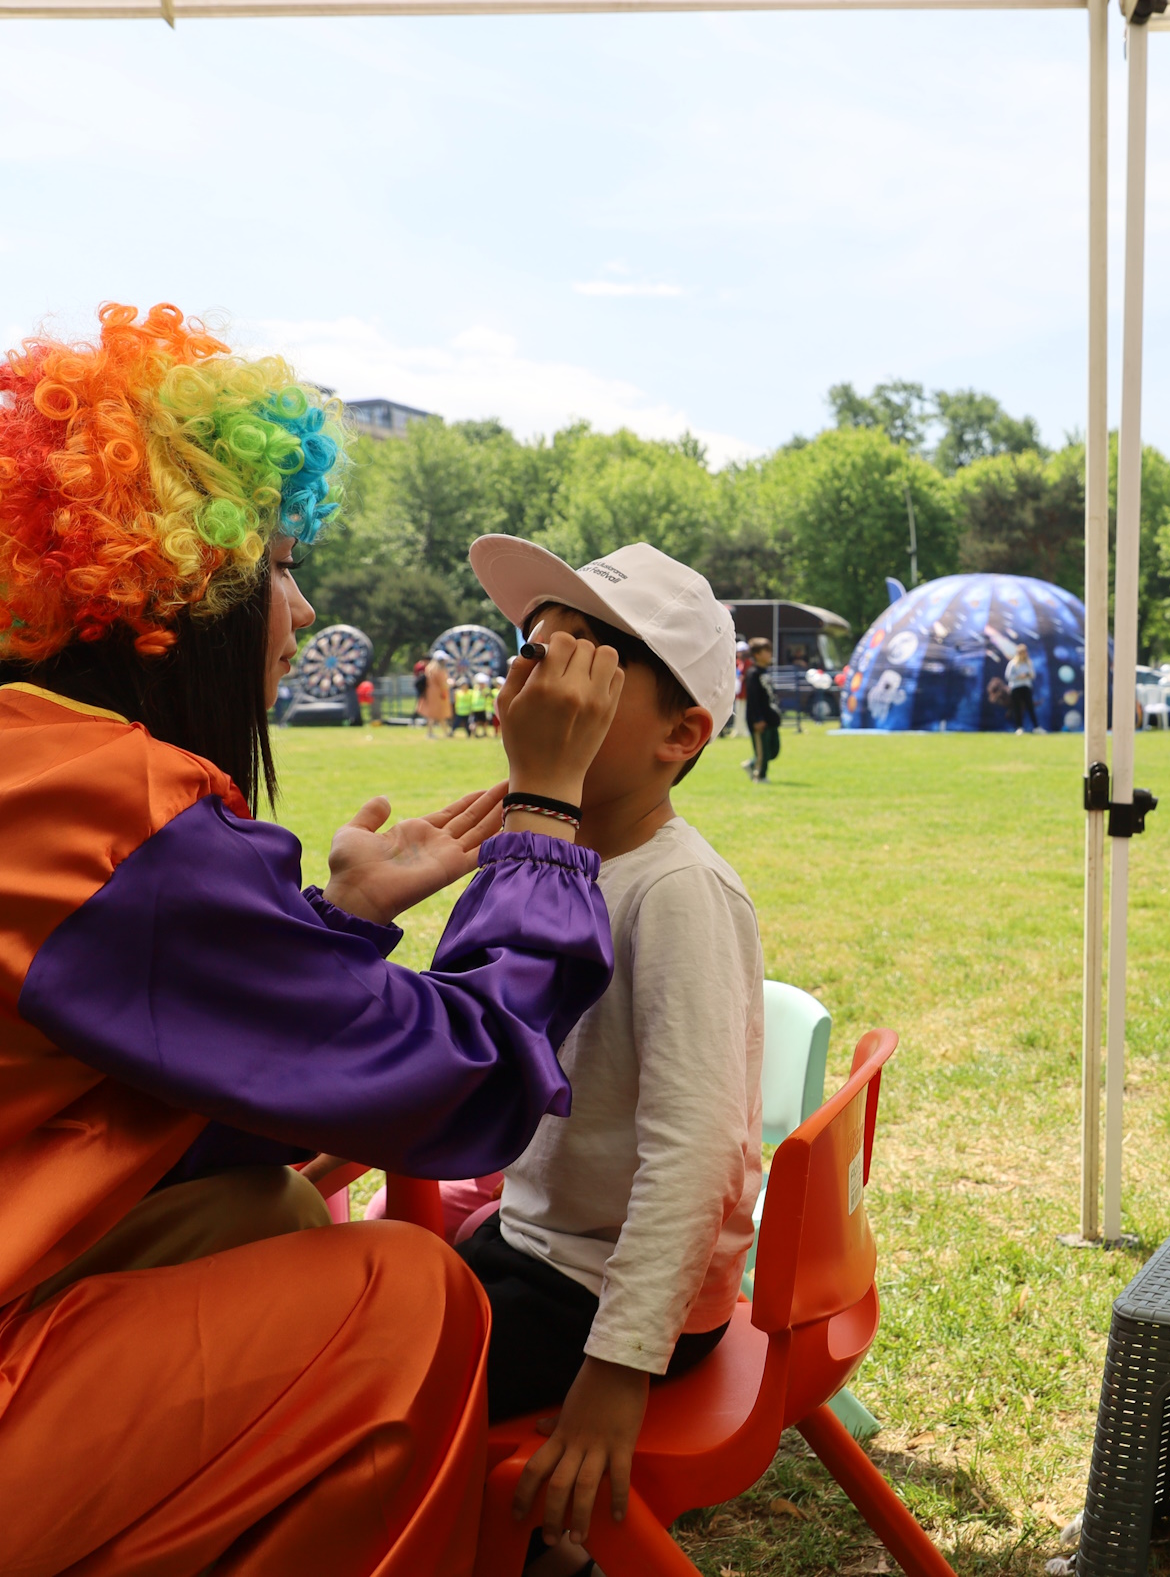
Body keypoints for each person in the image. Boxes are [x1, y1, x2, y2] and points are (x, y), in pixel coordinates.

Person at [0, 303, 624, 1576]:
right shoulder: (99, 806)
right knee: (406, 1294)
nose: (300, 609)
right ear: (192, 592)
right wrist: (548, 816)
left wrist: (341, 923)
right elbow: (465, 1083)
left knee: (259, 1206)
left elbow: (139, 1092)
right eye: (283, 568)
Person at [462, 536, 764, 1571]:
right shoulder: (546, 856)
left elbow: (700, 1149)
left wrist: (620, 1363)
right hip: (542, 1246)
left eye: (586, 659)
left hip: (609, 1294)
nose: (538, 677)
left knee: (377, 1393)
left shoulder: (677, 890)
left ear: (681, 733)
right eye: (532, 649)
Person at [742, 635, 780, 781]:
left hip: (770, 717)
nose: (770, 654)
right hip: (759, 719)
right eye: (766, 651)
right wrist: (757, 719)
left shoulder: (765, 672)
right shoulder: (753, 673)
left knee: (773, 751)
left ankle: (751, 764)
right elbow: (753, 699)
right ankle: (760, 776)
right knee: (762, 750)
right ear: (757, 655)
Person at [1006, 642, 1038, 732]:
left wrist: (1027, 675)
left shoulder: (1029, 663)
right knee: (1017, 708)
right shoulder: (1012, 663)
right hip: (1016, 688)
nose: (1023, 654)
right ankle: (1019, 728)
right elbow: (1008, 676)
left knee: (1030, 707)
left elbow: (1033, 675)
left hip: (1026, 687)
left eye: (1024, 652)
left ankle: (1036, 727)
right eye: (1021, 652)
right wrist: (1018, 677)